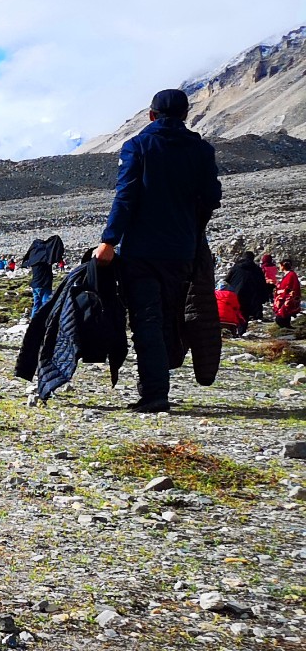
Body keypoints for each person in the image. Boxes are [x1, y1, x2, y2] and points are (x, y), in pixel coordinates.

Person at [95, 87, 223, 412]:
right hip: (182, 251)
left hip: (141, 250)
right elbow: (211, 198)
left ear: (151, 114)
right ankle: (159, 383)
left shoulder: (137, 146)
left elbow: (126, 197)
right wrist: (192, 227)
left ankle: (154, 393)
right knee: (169, 314)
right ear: (186, 114)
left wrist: (109, 240)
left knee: (146, 319)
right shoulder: (202, 150)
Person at [223, 246, 270, 325]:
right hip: (251, 296)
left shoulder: (236, 267)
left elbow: (227, 279)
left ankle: (234, 330)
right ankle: (241, 331)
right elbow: (262, 283)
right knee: (245, 314)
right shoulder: (257, 269)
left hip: (236, 293)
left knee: (236, 311)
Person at [22, 234, 65, 317]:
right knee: (46, 305)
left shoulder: (33, 260)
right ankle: (43, 324)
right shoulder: (45, 259)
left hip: (35, 285)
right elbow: (56, 240)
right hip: (44, 285)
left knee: (36, 305)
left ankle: (33, 323)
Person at [272, 257, 300, 329]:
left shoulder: (291, 275)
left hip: (287, 299)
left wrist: (280, 291)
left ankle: (287, 329)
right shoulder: (288, 275)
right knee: (283, 317)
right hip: (284, 298)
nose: (279, 267)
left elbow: (289, 288)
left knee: (281, 317)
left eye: (280, 265)